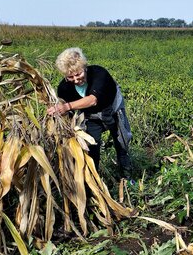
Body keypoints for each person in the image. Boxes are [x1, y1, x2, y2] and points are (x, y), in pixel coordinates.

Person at [47, 48, 132, 178]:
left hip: (113, 109)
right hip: (91, 117)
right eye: (70, 76)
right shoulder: (64, 88)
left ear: (84, 67)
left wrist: (67, 106)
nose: (76, 79)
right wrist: (57, 111)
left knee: (121, 142)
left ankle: (127, 177)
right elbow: (67, 112)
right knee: (91, 147)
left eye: (78, 74)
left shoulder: (99, 73)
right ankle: (94, 182)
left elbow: (92, 100)